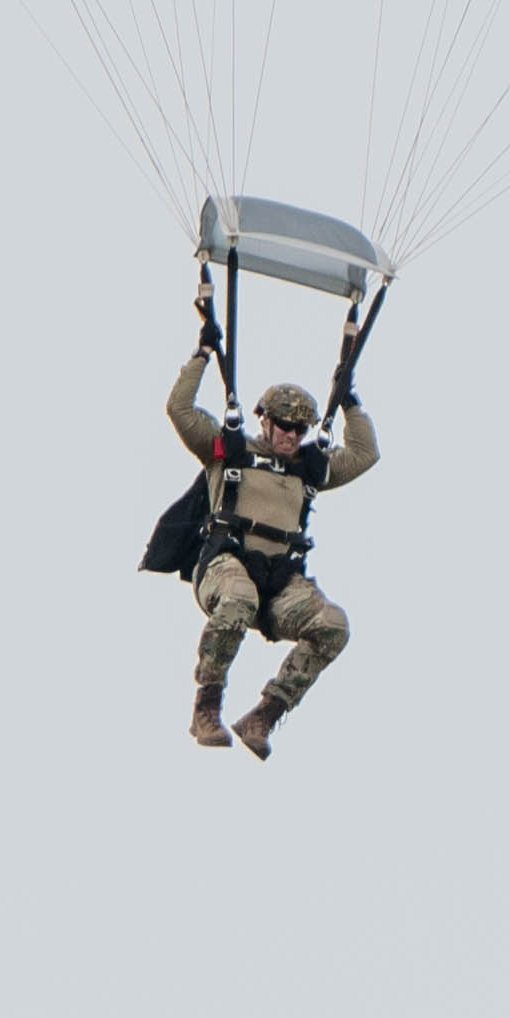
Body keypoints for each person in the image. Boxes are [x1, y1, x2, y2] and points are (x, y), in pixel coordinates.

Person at [149, 286, 378, 760]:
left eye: (300, 428)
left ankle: (263, 716)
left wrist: (349, 399)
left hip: (279, 586)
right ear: (265, 421)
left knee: (334, 625)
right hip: (225, 568)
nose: (291, 436)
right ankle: (206, 707)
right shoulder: (229, 450)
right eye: (282, 425)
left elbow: (364, 453)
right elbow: (180, 410)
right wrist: (203, 354)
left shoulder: (310, 470)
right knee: (237, 598)